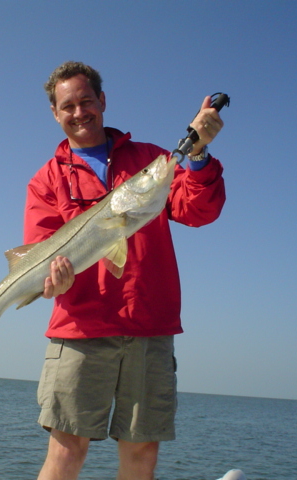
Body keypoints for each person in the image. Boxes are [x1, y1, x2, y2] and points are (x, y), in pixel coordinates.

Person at [23, 61, 226, 480]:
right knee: (66, 451)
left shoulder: (151, 159)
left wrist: (200, 153)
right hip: (80, 329)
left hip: (150, 326)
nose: (79, 112)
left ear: (103, 101)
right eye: (68, 106)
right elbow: (39, 253)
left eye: (86, 101)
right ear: (55, 114)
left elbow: (198, 210)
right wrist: (53, 282)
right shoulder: (46, 180)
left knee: (142, 452)